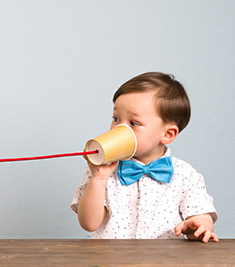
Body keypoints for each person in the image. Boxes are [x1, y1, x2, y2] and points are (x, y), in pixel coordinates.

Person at [71, 72, 218, 243]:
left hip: (164, 263)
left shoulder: (186, 175)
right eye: (116, 118)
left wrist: (198, 226)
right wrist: (98, 179)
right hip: (110, 264)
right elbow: (89, 224)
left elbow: (202, 216)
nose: (119, 128)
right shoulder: (101, 170)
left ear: (168, 134)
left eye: (134, 123)